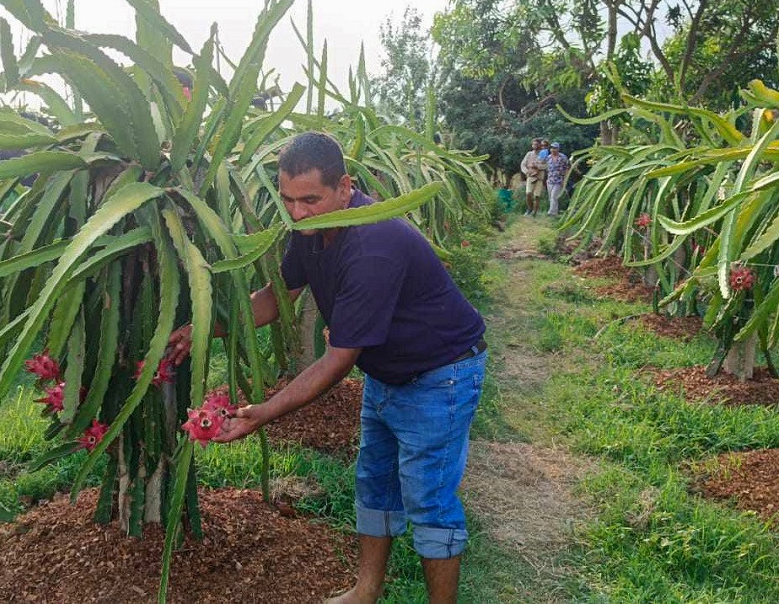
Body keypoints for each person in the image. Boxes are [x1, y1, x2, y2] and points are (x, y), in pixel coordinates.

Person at [167, 131, 487, 604]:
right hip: (387, 372)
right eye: (288, 200)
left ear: (345, 186)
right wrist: (202, 328)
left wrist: (263, 413)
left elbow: (338, 361)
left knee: (428, 498)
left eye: (310, 200)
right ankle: (365, 591)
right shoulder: (312, 230)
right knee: (374, 483)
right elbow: (277, 297)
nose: (297, 214)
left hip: (441, 375)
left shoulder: (373, 244)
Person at [520, 138, 546, 216]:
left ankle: (534, 212)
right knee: (528, 193)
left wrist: (537, 166)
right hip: (530, 176)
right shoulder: (529, 154)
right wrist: (526, 171)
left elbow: (546, 166)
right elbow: (523, 164)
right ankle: (529, 209)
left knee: (536, 196)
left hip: (539, 177)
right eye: (533, 144)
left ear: (539, 145)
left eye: (536, 144)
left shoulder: (543, 154)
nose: (534, 145)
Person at [545, 142, 570, 216]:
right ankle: (554, 212)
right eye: (552, 148)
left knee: (554, 196)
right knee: (550, 197)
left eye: (555, 148)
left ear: (558, 149)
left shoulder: (563, 157)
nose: (553, 150)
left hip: (559, 180)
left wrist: (565, 179)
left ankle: (551, 212)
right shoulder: (548, 157)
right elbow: (546, 168)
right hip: (550, 180)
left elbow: (567, 168)